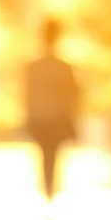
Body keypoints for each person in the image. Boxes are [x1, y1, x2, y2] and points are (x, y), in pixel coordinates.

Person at [25, 19, 80, 200]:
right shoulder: (63, 67)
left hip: (43, 117)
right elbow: (73, 96)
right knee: (51, 154)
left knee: (46, 154)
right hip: (54, 117)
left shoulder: (34, 68)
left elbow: (28, 95)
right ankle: (49, 187)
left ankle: (49, 187)